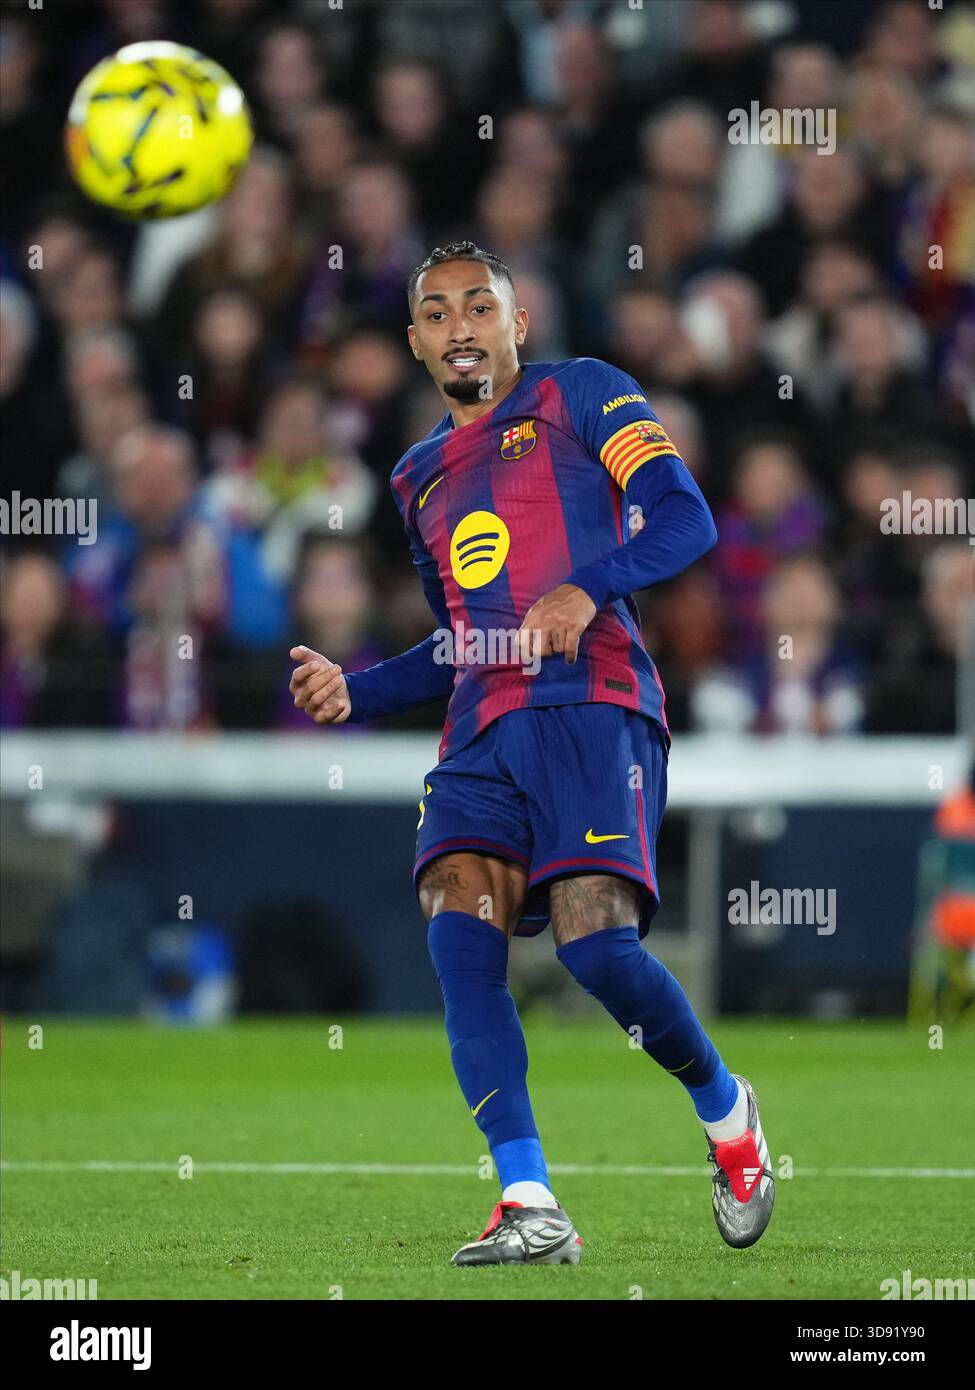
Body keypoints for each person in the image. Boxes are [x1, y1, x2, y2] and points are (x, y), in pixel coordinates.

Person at [289, 242, 775, 1266]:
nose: (459, 326)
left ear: (517, 322)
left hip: (593, 703)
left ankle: (727, 1112)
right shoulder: (416, 475)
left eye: (479, 305)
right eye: (436, 312)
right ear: (417, 342)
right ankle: (528, 1198)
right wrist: (357, 686)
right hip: (478, 735)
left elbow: (686, 516)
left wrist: (590, 585)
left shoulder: (585, 393)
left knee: (597, 950)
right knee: (459, 932)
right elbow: (464, 639)